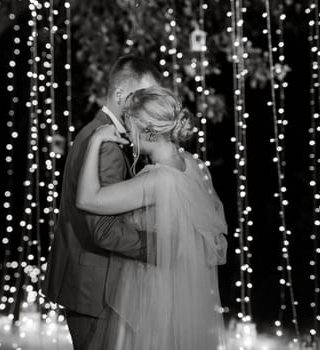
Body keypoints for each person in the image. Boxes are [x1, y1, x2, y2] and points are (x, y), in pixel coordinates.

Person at [76, 86, 228, 349]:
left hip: (152, 296)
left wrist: (96, 141)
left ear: (146, 131)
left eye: (129, 126)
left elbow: (87, 199)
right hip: (183, 295)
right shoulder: (194, 166)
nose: (126, 133)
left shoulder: (158, 181)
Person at [42, 55, 162, 349]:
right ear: (121, 95)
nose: (149, 104)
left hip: (89, 284)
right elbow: (103, 229)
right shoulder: (107, 142)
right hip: (97, 289)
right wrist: (163, 247)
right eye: (144, 95)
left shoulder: (98, 133)